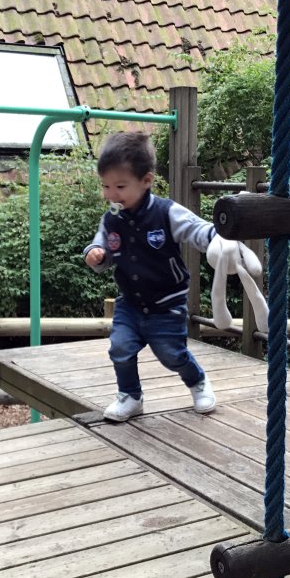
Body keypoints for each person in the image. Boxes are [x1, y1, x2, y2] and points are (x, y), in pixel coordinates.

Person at [83, 131, 219, 422]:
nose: (110, 194)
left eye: (120, 186)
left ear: (146, 181)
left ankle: (197, 382)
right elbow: (102, 243)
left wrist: (218, 239)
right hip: (130, 303)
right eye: (105, 186)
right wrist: (96, 253)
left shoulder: (166, 212)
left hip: (166, 304)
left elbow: (197, 229)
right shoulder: (112, 218)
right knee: (120, 348)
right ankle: (130, 396)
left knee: (172, 354)